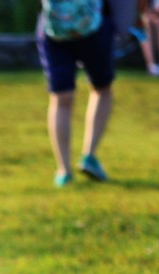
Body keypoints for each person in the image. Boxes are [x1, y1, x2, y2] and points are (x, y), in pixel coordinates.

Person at [36, 0, 116, 187]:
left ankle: (64, 170)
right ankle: (89, 155)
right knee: (101, 88)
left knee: (60, 98)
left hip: (54, 28)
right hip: (94, 26)